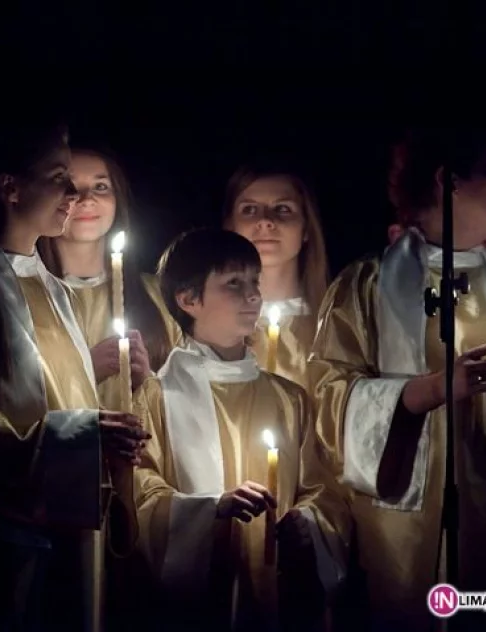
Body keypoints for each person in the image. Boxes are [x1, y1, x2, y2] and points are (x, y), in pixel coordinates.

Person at [309, 130, 486, 632]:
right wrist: (427, 392)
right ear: (447, 180)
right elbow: (328, 403)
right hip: (407, 533)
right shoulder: (366, 284)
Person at [0, 121, 149, 632]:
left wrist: (108, 437)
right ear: (9, 187)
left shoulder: (55, 291)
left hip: (67, 529)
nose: (73, 193)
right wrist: (79, 434)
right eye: (59, 177)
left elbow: (67, 397)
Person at [133, 227, 351, 631]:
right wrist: (210, 509)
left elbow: (323, 487)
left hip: (277, 590)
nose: (253, 295)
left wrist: (309, 524)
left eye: (255, 282)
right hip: (203, 594)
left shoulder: (289, 397)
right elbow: (141, 491)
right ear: (188, 299)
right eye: (233, 283)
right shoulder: (156, 397)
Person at [37, 145, 182, 411]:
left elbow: (191, 402)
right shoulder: (28, 298)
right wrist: (84, 372)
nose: (86, 198)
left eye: (101, 187)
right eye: (69, 185)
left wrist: (148, 380)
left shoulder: (158, 295)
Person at [222, 164, 330, 391]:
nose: (265, 221)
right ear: (230, 226)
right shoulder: (207, 328)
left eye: (282, 209)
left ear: (306, 228)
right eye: (250, 210)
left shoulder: (336, 327)